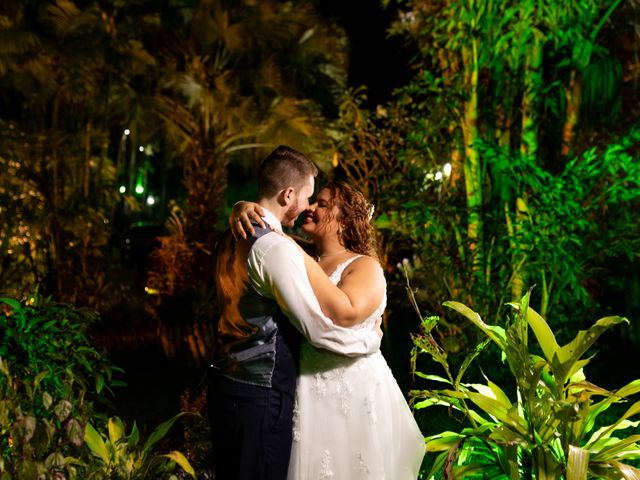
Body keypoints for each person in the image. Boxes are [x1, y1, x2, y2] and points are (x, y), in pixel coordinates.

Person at [230, 180, 425, 479]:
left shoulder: (363, 266)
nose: (309, 208)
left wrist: (295, 251)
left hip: (356, 394)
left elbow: (345, 312)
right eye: (313, 201)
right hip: (307, 391)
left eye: (322, 203)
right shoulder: (298, 254)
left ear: (345, 219)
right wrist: (240, 208)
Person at [209, 146, 382, 480]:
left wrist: (239, 207)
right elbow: (317, 330)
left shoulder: (229, 234)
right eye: (308, 197)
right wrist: (369, 342)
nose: (308, 207)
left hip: (228, 384)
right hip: (261, 393)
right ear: (288, 194)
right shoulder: (274, 247)